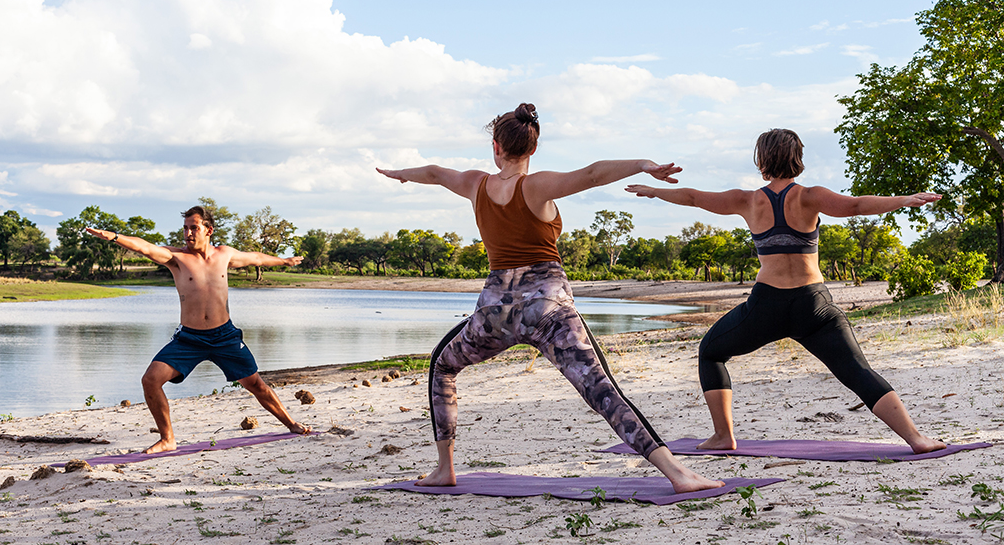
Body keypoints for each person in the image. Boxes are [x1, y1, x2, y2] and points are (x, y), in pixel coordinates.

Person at [378, 103, 723, 493]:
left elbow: (437, 173)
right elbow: (592, 174)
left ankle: (445, 468)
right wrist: (644, 163)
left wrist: (401, 175)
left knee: (443, 366)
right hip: (547, 308)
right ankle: (677, 474)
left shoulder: (476, 185)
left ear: (495, 146)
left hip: (494, 311)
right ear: (533, 148)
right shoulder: (536, 186)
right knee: (601, 389)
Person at [626, 128, 946, 454]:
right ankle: (916, 438)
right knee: (857, 370)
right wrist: (904, 200)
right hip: (814, 306)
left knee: (711, 351)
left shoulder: (748, 200)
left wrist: (654, 192)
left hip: (767, 306)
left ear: (761, 160)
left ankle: (724, 436)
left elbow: (693, 198)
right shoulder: (810, 197)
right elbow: (856, 206)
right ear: (798, 159)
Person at [86, 206, 310, 454]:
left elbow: (256, 258)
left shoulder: (224, 255)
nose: (188, 233)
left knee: (256, 385)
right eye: (185, 228)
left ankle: (291, 424)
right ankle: (167, 439)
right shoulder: (176, 258)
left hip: (225, 336)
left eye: (194, 228)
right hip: (189, 339)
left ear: (208, 230)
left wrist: (284, 261)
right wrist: (115, 237)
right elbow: (145, 247)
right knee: (151, 380)